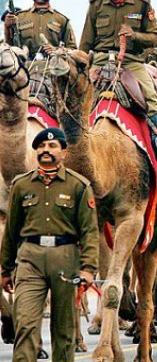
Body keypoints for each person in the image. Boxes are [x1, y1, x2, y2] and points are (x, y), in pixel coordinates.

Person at [0, 128, 98, 362]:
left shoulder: (78, 186)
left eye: (52, 146)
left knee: (64, 331)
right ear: (36, 151)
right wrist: (5, 269)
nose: (46, 150)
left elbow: (89, 232)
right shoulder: (22, 185)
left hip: (65, 258)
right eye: (41, 146)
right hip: (29, 260)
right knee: (25, 324)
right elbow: (11, 230)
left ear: (63, 152)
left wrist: (88, 269)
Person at [79, 0, 157, 160]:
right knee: (77, 95)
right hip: (100, 60)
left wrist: (135, 35)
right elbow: (86, 42)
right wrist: (81, 64)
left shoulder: (142, 4)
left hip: (131, 61)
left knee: (152, 97)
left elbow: (155, 37)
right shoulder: (96, 4)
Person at [3, 0, 76, 59]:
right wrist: (7, 27)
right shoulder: (19, 17)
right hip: (25, 65)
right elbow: (9, 47)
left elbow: (73, 49)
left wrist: (56, 50)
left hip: (53, 65)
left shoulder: (62, 20)